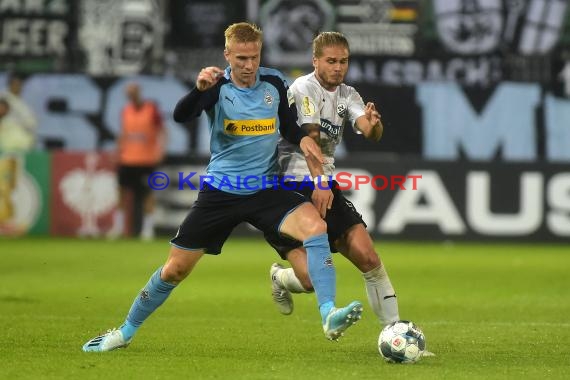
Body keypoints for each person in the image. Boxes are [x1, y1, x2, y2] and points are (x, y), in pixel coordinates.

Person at [82, 22, 362, 352]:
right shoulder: (216, 85)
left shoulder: (273, 81)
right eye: (241, 58)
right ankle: (124, 332)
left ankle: (329, 314)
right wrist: (200, 90)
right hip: (221, 192)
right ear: (227, 55)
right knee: (175, 270)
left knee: (316, 226)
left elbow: (288, 126)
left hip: (264, 188)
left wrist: (305, 144)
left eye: (254, 57)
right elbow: (181, 115)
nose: (248, 66)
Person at [266, 31, 400, 328]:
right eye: (331, 61)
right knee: (311, 281)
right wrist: (321, 183)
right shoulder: (304, 87)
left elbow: (368, 131)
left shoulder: (348, 94)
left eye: (344, 61)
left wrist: (374, 125)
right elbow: (310, 136)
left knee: (368, 257)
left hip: (323, 182)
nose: (338, 67)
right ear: (315, 61)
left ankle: (394, 330)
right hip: (290, 185)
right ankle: (280, 276)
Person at [107, 82, 166, 241]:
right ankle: (118, 228)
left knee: (148, 194)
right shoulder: (126, 111)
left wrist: (160, 150)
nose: (130, 96)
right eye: (128, 93)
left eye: (133, 92)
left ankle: (147, 230)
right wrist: (118, 150)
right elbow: (124, 133)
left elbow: (162, 131)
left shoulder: (151, 110)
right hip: (127, 159)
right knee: (121, 192)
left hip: (146, 160)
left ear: (139, 92)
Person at [0, 73, 37, 153]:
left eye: (20, 84)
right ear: (10, 84)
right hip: (7, 141)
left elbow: (31, 122)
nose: (18, 87)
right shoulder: (3, 98)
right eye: (16, 84)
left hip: (24, 142)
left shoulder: (22, 103)